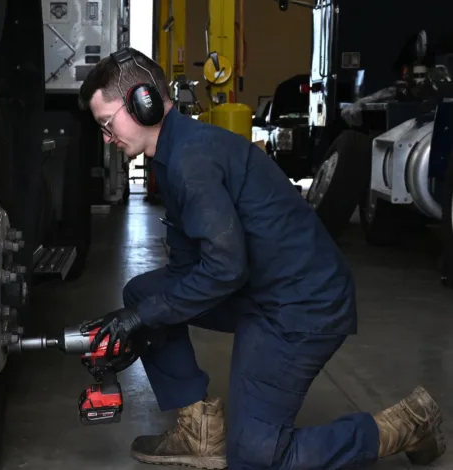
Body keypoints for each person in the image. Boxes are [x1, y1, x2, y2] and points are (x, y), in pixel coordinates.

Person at [77, 47, 446, 469]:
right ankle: (198, 432)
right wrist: (144, 318)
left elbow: (224, 269)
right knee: (144, 293)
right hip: (261, 289)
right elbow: (188, 270)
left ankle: (406, 424)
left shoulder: (191, 161)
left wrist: (142, 319)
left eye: (107, 124)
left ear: (142, 104)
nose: (107, 138)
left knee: (256, 456)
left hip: (301, 307)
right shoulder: (175, 152)